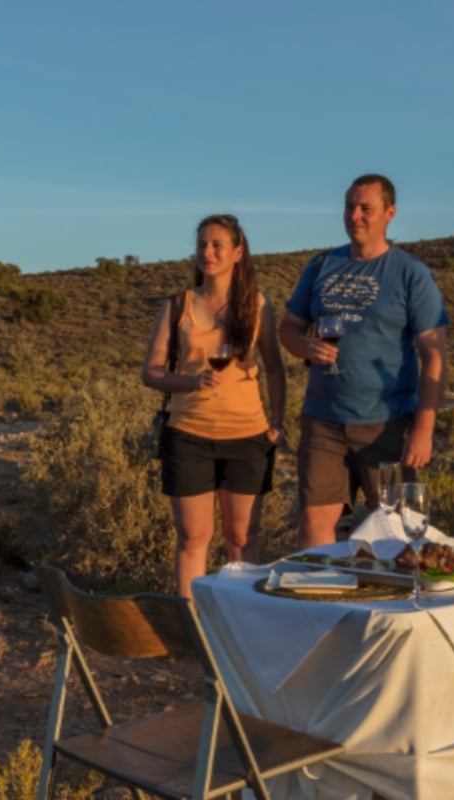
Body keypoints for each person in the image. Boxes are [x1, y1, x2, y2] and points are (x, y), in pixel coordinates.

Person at [280, 174, 449, 549]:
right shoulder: (322, 265)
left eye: (365, 208)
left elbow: (434, 358)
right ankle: (320, 601)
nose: (354, 215)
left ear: (390, 213)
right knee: (314, 521)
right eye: (349, 207)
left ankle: (394, 603)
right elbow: (288, 330)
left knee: (396, 531)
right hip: (323, 419)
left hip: (386, 425)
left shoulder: (411, 274)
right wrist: (305, 347)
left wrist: (423, 428)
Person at [141, 214, 287, 599]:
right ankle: (194, 628)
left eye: (217, 245)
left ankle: (245, 622)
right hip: (188, 435)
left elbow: (274, 366)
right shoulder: (177, 306)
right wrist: (190, 383)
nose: (207, 252)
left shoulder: (258, 306)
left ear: (238, 253)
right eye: (202, 244)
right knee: (194, 537)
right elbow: (151, 372)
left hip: (248, 436)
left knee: (243, 538)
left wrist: (277, 421)